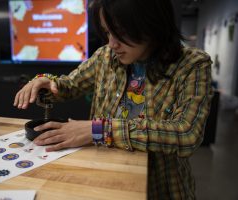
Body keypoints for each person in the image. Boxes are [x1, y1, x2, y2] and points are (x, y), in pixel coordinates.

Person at [14, 0, 213, 199]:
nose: (112, 43)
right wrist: (46, 83)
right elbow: (69, 85)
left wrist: (99, 130)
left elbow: (187, 134)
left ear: (152, 24)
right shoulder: (106, 57)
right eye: (108, 32)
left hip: (160, 186)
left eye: (121, 32)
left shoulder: (192, 65)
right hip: (106, 176)